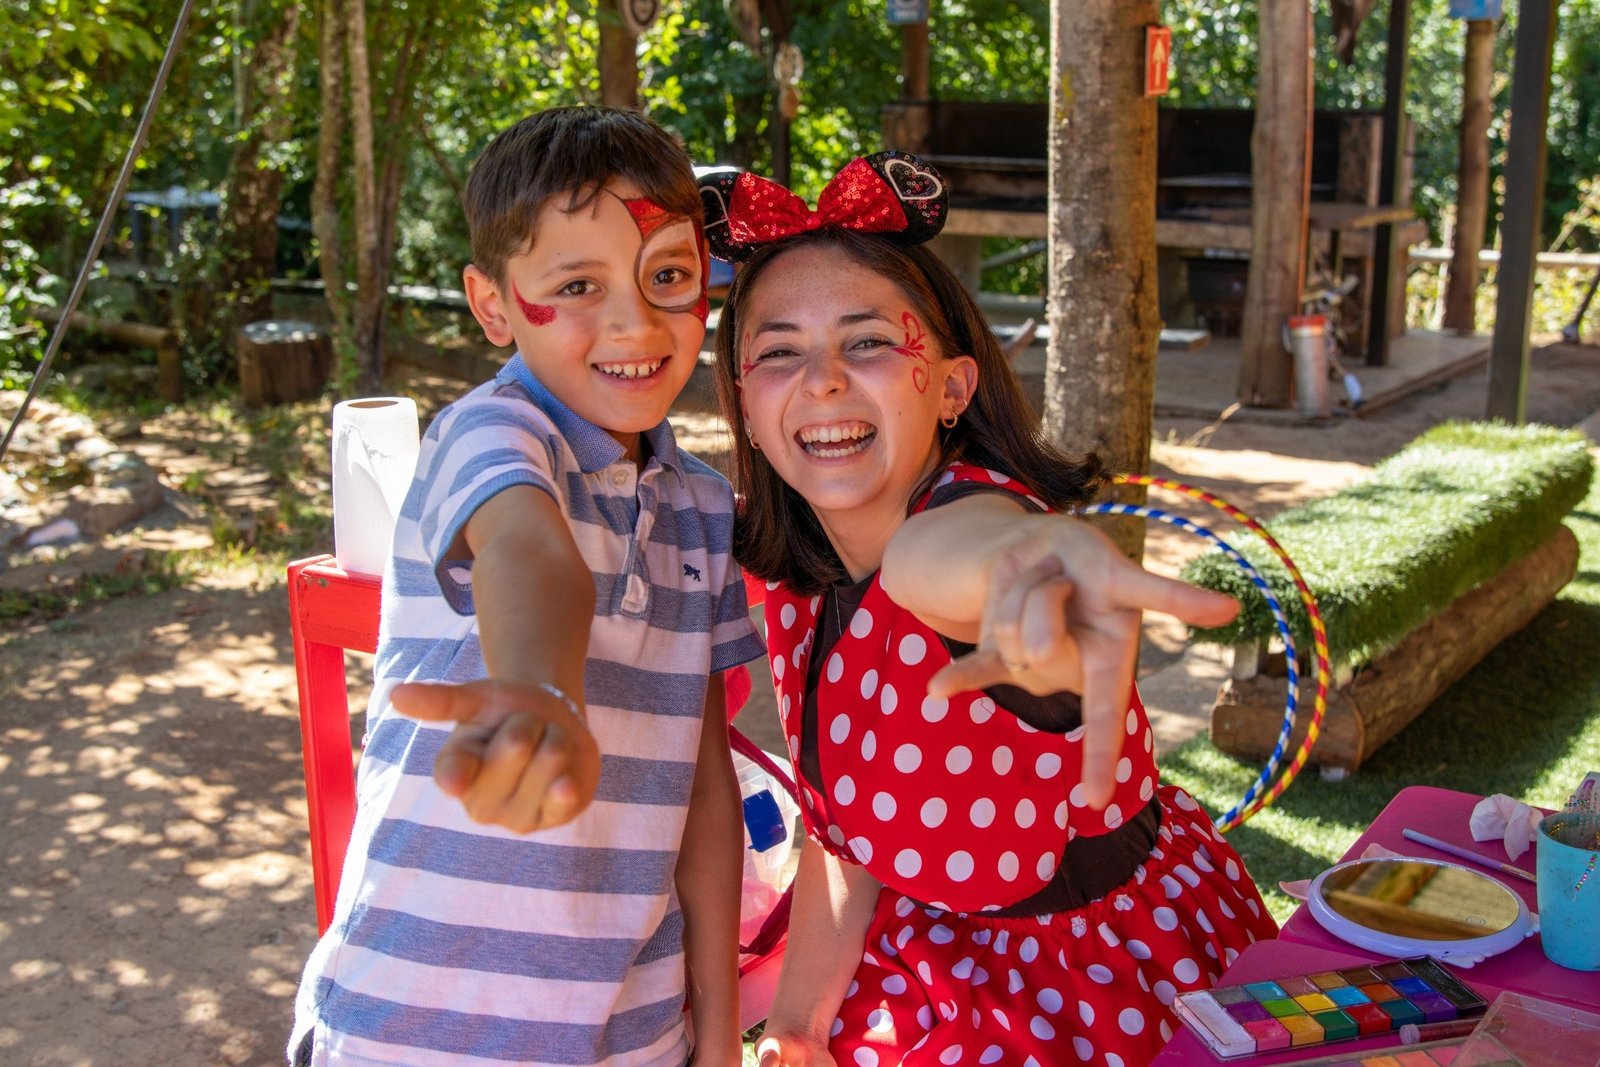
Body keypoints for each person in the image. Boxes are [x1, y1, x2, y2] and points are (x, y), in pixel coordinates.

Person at [700, 153, 1281, 1067]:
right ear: (742, 397)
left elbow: (960, 558)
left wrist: (1028, 567)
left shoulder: (962, 521)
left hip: (1095, 991)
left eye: (867, 342)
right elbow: (849, 835)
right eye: (779, 351)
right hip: (927, 964)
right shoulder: (798, 577)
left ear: (953, 387)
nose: (823, 379)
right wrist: (799, 1024)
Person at [289, 106, 765, 1067]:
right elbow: (527, 551)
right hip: (416, 1027)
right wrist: (540, 687)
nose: (635, 322)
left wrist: (716, 1035)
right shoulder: (492, 433)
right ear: (494, 304)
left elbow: (705, 786)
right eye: (577, 285)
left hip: (633, 1032)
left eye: (667, 276)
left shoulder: (703, 507)